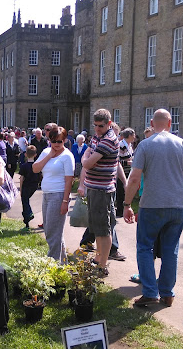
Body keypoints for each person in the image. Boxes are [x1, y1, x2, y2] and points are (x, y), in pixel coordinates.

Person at [123, 109, 183, 308]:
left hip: (152, 204)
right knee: (170, 250)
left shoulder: (146, 145)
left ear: (151, 122)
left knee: (145, 247)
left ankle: (150, 292)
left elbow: (134, 178)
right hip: (178, 205)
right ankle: (167, 293)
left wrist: (126, 204)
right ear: (169, 123)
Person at [78, 109, 121, 277]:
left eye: (100, 126)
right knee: (97, 227)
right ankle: (98, 258)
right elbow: (88, 153)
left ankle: (102, 266)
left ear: (109, 124)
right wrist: (87, 158)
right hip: (94, 188)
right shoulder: (98, 136)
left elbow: (87, 163)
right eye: (95, 126)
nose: (97, 129)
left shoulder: (109, 140)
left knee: (103, 229)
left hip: (102, 190)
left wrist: (85, 159)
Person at [33, 127, 74, 262]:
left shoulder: (67, 156)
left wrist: (65, 201)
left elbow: (69, 180)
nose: (56, 144)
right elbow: (35, 168)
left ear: (65, 140)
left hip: (58, 195)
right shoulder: (46, 152)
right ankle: (63, 263)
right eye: (53, 141)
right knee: (54, 232)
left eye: (60, 141)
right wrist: (49, 155)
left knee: (51, 232)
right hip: (46, 194)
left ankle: (52, 262)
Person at [116, 128, 136, 217]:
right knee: (120, 190)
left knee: (126, 190)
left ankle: (124, 208)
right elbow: (117, 160)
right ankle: (119, 209)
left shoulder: (130, 145)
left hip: (128, 171)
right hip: (121, 172)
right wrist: (127, 162)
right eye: (133, 135)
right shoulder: (121, 145)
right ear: (130, 135)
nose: (134, 137)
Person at [19, 146, 40, 229]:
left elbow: (22, 178)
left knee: (25, 201)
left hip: (26, 185)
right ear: (35, 155)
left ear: (25, 154)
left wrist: (20, 189)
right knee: (26, 200)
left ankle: (28, 217)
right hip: (34, 185)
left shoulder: (24, 166)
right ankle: (27, 219)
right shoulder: (37, 165)